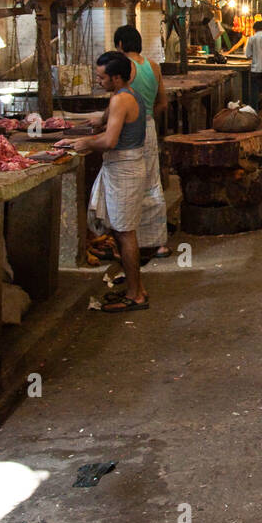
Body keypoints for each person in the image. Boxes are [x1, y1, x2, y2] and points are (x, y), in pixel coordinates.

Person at [56, 55, 149, 313]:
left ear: (116, 77)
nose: (98, 81)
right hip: (125, 166)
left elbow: (109, 141)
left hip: (125, 169)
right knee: (122, 230)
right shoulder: (128, 93)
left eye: (101, 77)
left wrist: (85, 143)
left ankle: (136, 295)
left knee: (125, 231)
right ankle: (137, 288)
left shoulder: (121, 98)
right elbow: (109, 132)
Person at [114, 26, 171, 257]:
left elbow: (117, 102)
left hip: (128, 131)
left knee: (127, 185)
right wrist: (146, 117)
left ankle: (128, 243)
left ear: (119, 44)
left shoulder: (122, 69)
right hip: (148, 127)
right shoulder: (154, 67)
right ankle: (158, 243)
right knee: (152, 182)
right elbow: (163, 103)